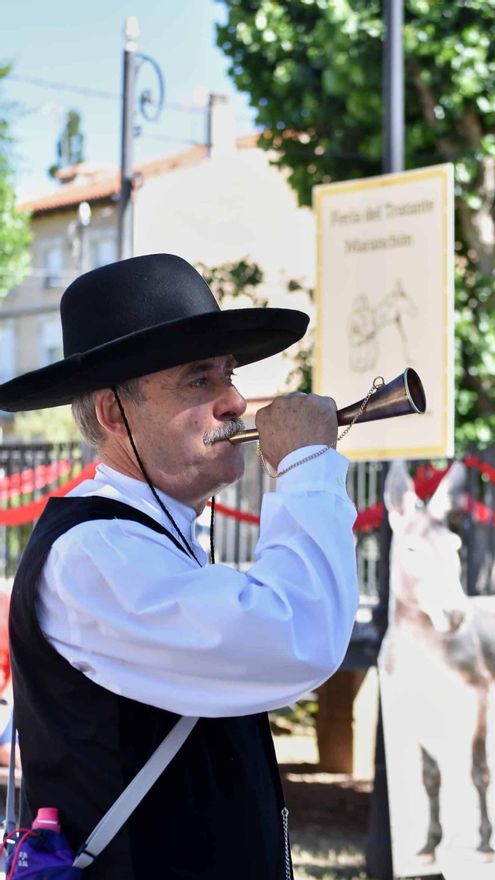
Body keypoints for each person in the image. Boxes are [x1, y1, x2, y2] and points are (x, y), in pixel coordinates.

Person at [0, 253, 359, 880]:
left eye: (227, 375)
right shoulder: (95, 552)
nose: (236, 401)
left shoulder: (148, 537)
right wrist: (305, 468)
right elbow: (298, 637)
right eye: (200, 381)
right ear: (116, 415)